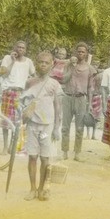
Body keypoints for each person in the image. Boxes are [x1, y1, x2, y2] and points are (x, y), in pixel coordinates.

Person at [21, 52, 62, 201]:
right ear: (36, 64)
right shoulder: (30, 82)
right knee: (32, 156)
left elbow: (58, 107)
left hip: (47, 127)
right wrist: (24, 114)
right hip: (32, 125)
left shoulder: (54, 84)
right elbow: (22, 103)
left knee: (45, 158)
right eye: (40, 62)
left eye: (46, 62)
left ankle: (41, 189)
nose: (43, 65)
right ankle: (32, 188)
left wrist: (57, 127)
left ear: (51, 64)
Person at [61, 42, 96, 162]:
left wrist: (90, 104)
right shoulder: (68, 65)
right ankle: (64, 152)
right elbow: (63, 79)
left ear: (86, 54)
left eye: (83, 52)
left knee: (79, 128)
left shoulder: (90, 69)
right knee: (65, 127)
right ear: (75, 52)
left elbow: (90, 88)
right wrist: (72, 67)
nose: (80, 53)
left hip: (81, 99)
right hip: (67, 97)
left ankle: (77, 153)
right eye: (78, 51)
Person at [0, 41, 35, 155]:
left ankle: (12, 146)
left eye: (23, 48)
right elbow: (4, 73)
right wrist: (12, 61)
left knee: (17, 122)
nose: (20, 49)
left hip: (20, 94)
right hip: (8, 91)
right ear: (15, 48)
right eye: (18, 47)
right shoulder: (7, 58)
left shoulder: (28, 61)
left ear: (25, 50)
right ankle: (5, 147)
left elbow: (34, 75)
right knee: (6, 121)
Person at [85, 59, 103, 140]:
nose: (95, 66)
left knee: (96, 117)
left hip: (97, 97)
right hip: (90, 97)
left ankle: (93, 134)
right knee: (88, 115)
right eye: (94, 64)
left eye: (97, 65)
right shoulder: (89, 75)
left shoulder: (99, 75)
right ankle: (88, 134)